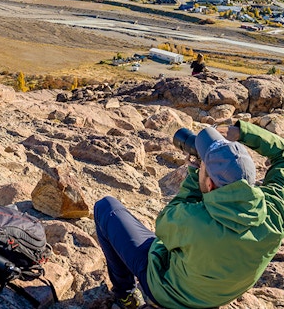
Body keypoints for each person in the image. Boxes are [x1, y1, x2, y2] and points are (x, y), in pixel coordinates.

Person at [94, 122, 284, 309]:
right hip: (219, 295)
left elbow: (164, 225)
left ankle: (126, 296)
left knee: (106, 208)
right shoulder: (275, 209)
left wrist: (194, 176)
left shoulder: (194, 220)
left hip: (169, 294)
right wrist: (242, 133)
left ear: (209, 185)